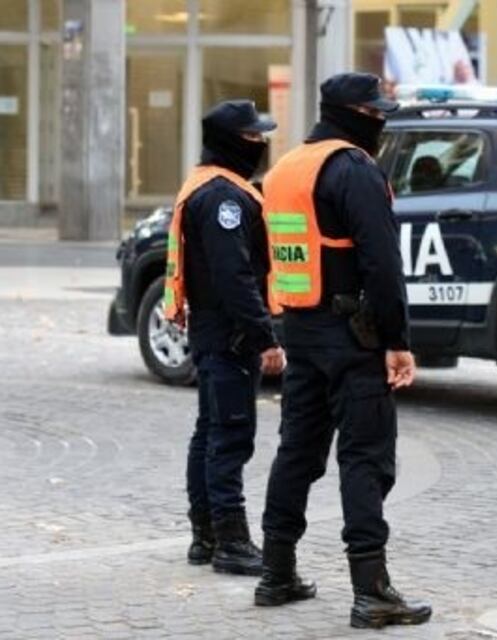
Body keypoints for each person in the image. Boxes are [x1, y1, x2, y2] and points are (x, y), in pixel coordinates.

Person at [254, 72, 431, 629]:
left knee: (297, 452)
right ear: (354, 114)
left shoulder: (286, 169)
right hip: (354, 336)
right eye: (376, 113)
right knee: (365, 457)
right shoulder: (353, 168)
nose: (381, 122)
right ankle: (371, 590)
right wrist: (396, 341)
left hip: (301, 330)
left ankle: (276, 573)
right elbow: (382, 263)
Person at [164, 100, 286, 576]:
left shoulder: (207, 186)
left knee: (209, 434)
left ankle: (206, 536)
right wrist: (264, 337)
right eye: (254, 138)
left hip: (212, 331)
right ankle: (231, 543)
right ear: (233, 141)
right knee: (230, 438)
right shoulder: (223, 198)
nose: (261, 144)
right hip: (229, 335)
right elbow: (234, 275)